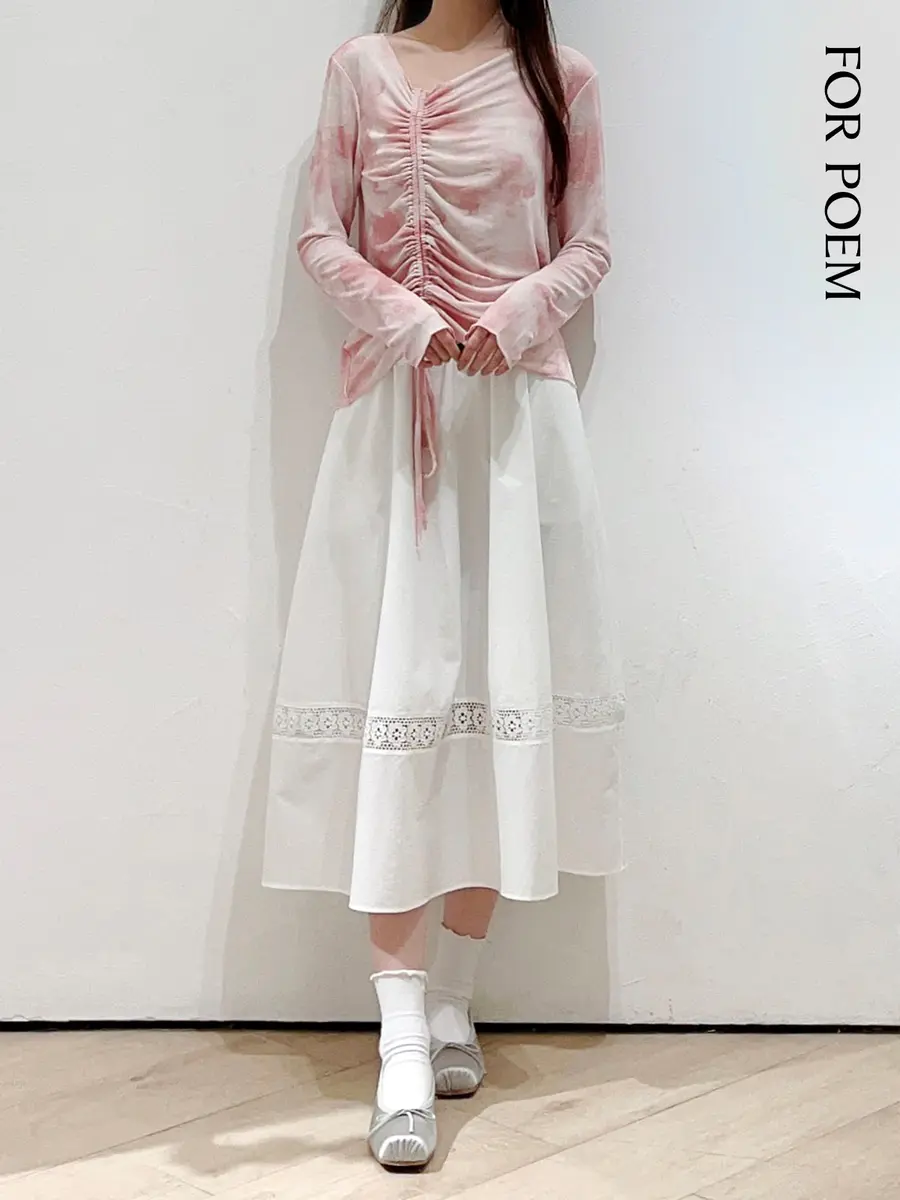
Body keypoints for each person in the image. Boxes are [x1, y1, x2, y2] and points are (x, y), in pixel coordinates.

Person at [263, 0, 626, 1170]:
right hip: (393, 424)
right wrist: (410, 316)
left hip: (516, 430)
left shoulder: (562, 77)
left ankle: (458, 994)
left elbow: (589, 243)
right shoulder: (362, 68)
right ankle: (402, 1034)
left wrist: (516, 314)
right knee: (402, 700)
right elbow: (323, 233)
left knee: (498, 696)